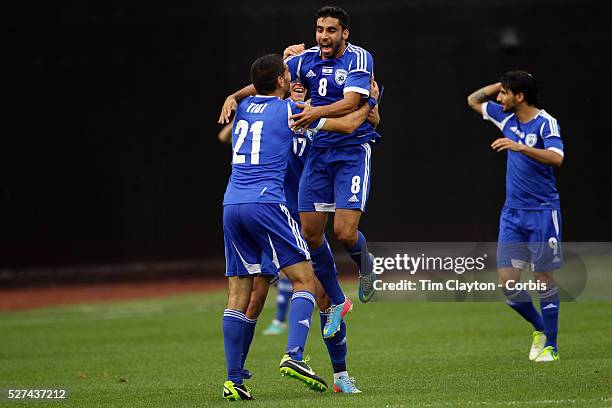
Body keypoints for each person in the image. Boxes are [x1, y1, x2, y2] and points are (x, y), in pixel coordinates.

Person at [221, 54, 379, 400]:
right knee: (293, 290)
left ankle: (339, 374)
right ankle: (292, 356)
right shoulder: (295, 113)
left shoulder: (256, 106)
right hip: (274, 210)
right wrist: (370, 102)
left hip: (237, 205)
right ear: (284, 81)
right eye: (289, 74)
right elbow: (350, 122)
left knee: (254, 296)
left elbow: (230, 128)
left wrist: (234, 96)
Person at [467, 71, 564, 362]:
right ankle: (539, 327)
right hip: (512, 214)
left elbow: (557, 157)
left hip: (543, 212)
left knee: (543, 280)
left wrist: (520, 146)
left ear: (519, 97)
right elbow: (473, 99)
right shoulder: (505, 117)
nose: (499, 98)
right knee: (508, 286)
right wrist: (502, 82)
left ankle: (552, 347)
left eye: (505, 93)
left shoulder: (546, 122)